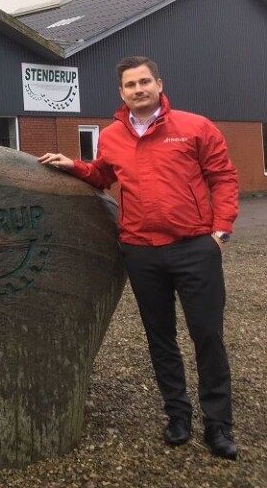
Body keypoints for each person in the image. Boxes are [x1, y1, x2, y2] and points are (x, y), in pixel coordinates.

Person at [38, 56, 239, 460]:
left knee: (208, 336)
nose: (138, 90)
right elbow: (103, 176)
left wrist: (220, 231)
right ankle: (177, 416)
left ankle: (218, 425)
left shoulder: (195, 127)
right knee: (160, 338)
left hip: (194, 247)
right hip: (142, 251)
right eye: (130, 85)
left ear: (159, 85)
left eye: (145, 82)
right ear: (121, 93)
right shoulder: (112, 136)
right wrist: (73, 166)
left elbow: (223, 177)